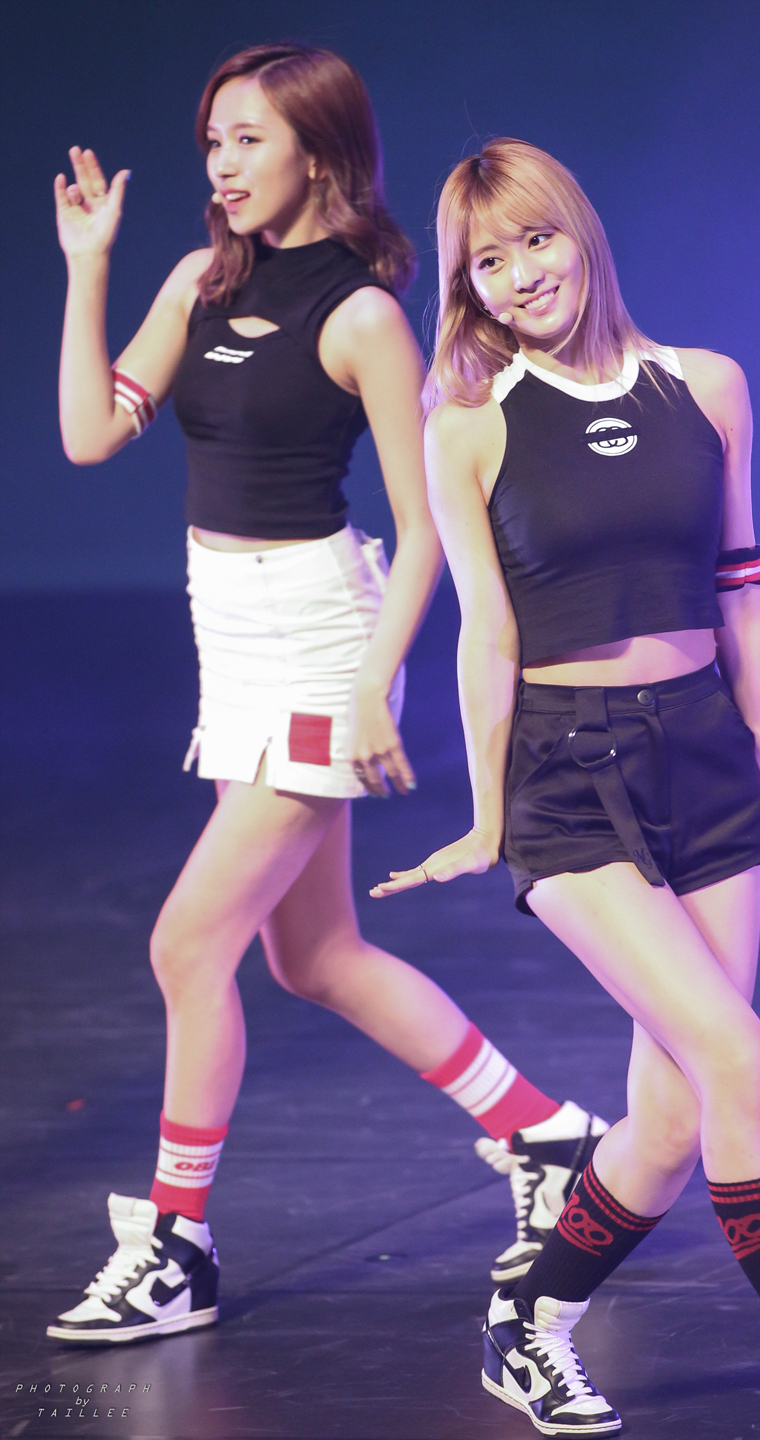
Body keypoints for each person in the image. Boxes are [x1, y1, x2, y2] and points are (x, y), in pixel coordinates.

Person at [47, 51, 609, 1347]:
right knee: (312, 957)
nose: (223, 165)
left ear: (317, 152)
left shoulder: (360, 316)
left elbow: (425, 529)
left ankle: (177, 1244)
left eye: (249, 139)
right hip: (230, 632)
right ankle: (547, 1138)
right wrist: (87, 266)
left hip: (320, 637)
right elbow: (88, 433)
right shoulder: (199, 281)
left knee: (188, 945)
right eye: (213, 142)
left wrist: (371, 683)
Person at [372, 139, 760, 1433]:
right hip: (568, 777)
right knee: (737, 1056)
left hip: (705, 755)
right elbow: (487, 634)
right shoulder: (469, 426)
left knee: (673, 1116)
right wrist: (487, 814)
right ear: (465, 285)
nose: (520, 275)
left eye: (536, 240)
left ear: (583, 235)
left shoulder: (707, 385)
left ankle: (527, 1324)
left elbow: (742, 585)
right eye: (487, 261)